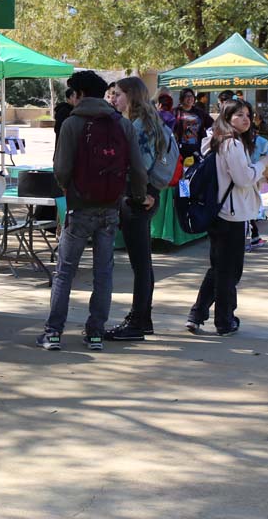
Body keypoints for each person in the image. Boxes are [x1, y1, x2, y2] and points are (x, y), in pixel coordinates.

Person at [38, 70, 147, 352]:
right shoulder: (121, 124)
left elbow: (61, 169)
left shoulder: (73, 124)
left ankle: (53, 332)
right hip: (110, 207)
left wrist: (69, 189)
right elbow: (137, 168)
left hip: (79, 207)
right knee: (104, 272)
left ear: (79, 94)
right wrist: (135, 196)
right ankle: (95, 332)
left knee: (65, 271)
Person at [185, 99, 268, 335]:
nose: (245, 119)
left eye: (247, 115)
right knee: (229, 272)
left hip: (222, 211)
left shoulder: (218, 141)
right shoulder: (231, 144)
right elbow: (243, 178)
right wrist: (263, 165)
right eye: (239, 116)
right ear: (226, 118)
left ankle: (198, 314)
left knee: (220, 269)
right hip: (230, 215)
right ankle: (224, 320)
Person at [105, 76, 163, 341]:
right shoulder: (147, 122)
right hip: (145, 197)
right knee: (143, 263)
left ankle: (138, 322)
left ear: (131, 96)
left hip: (137, 199)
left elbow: (140, 166)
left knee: (140, 264)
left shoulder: (139, 127)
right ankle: (143, 317)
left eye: (117, 94)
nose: (113, 98)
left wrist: (141, 194)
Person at [174, 88, 211, 160]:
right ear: (182, 98)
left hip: (196, 147)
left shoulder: (199, 112)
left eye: (191, 96)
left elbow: (211, 124)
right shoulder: (175, 112)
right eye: (187, 96)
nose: (190, 98)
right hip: (180, 148)